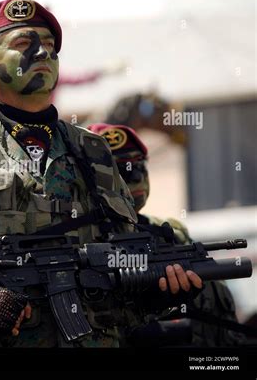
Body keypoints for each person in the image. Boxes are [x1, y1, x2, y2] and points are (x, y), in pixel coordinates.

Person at [0, 0, 202, 347]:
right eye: (23, 44)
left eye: (49, 46)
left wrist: (156, 293)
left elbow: (122, 269)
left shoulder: (93, 151)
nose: (42, 53)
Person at [89, 123, 241, 346]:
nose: (137, 177)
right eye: (123, 170)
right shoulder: (86, 244)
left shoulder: (172, 234)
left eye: (140, 165)